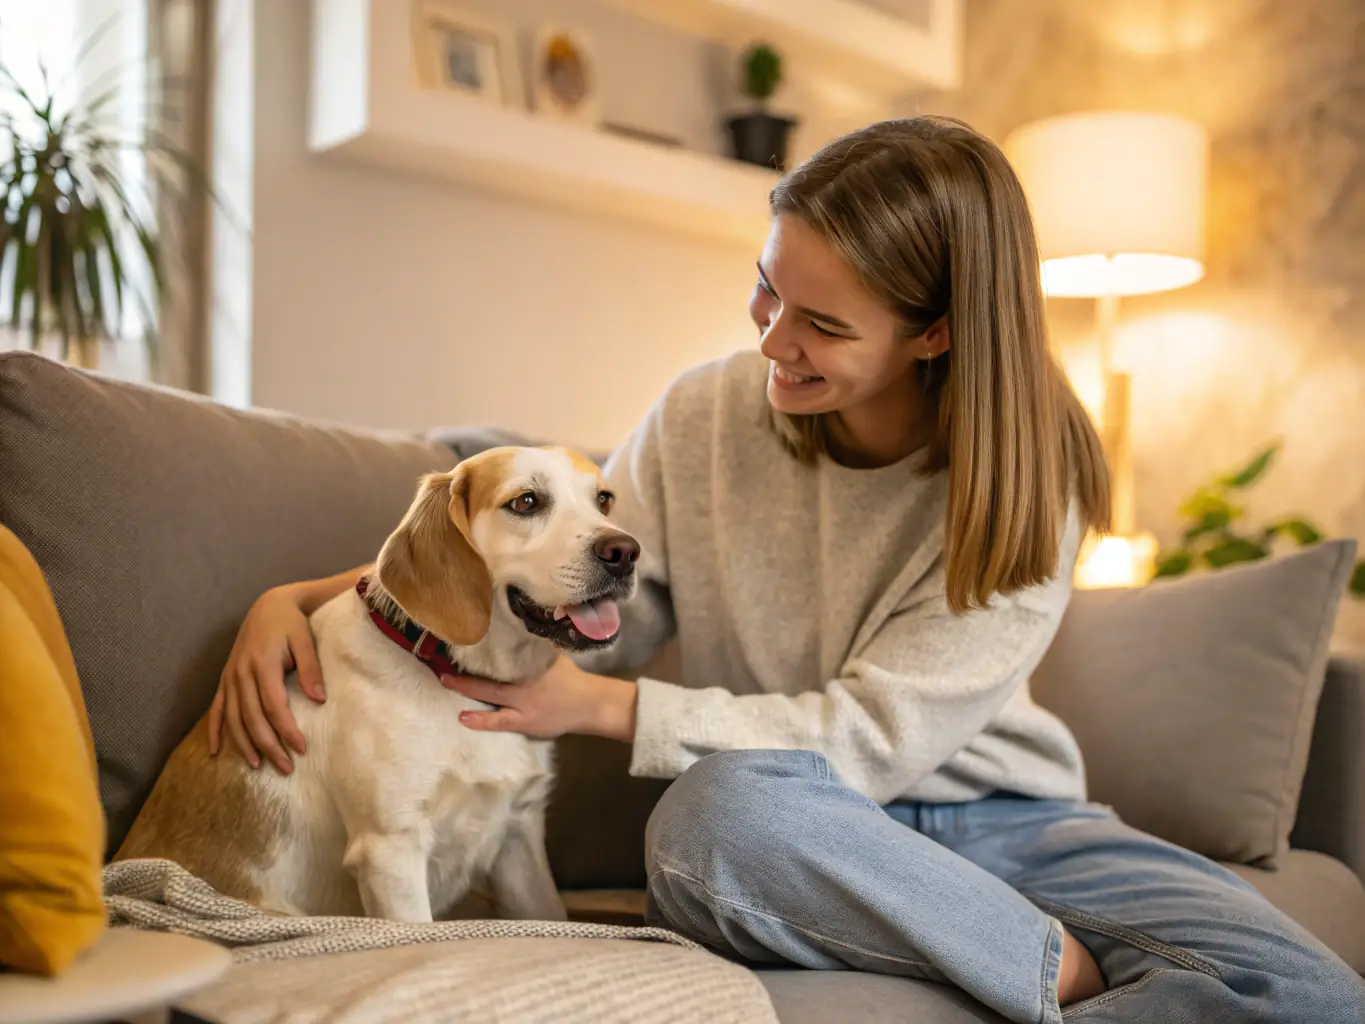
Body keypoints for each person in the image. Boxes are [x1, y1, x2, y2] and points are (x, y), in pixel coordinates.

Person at [207, 117, 1365, 1023]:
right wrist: (295, 601)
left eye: (821, 323)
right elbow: (584, 578)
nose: (771, 340)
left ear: (934, 332)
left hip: (1000, 819)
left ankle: (1017, 964)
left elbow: (870, 742)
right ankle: (1037, 962)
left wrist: (601, 705)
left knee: (1311, 993)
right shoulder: (709, 413)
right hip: (785, 822)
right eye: (767, 288)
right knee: (706, 821)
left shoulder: (1031, 479)